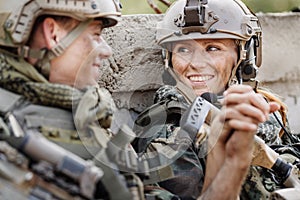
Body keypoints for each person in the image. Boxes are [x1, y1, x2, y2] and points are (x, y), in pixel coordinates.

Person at [132, 0, 300, 199]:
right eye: (183, 50)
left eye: (212, 48)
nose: (196, 63)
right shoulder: (168, 134)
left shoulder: (264, 113)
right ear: (169, 58)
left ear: (244, 56)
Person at [0, 0, 145, 199]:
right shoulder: (9, 126)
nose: (106, 51)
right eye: (96, 35)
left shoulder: (87, 111)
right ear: (53, 34)